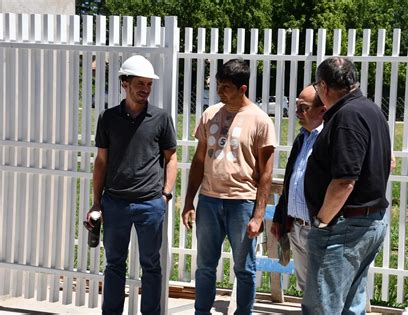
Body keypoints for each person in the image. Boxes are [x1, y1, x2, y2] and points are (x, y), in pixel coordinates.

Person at [181, 58, 276, 315]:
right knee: (204, 266)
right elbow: (199, 160)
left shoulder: (260, 121)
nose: (220, 92)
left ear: (242, 88)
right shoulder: (210, 114)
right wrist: (189, 201)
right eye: (218, 86)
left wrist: (258, 215)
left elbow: (266, 173)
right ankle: (202, 311)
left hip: (242, 202)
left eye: (226, 87)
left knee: (244, 268)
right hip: (209, 200)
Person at [86, 55, 177, 315]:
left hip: (150, 203)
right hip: (114, 203)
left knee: (151, 265)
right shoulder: (108, 118)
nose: (145, 89)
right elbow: (101, 161)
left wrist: (165, 195)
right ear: (125, 83)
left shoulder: (160, 118)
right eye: (140, 83)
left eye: (149, 84)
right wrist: (96, 203)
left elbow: (171, 158)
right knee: (114, 264)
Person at [302, 57, 391, 314]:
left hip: (344, 226)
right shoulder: (370, 110)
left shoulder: (347, 116)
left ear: (324, 87)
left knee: (323, 306)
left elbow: (344, 182)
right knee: (351, 305)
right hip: (366, 221)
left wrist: (322, 221)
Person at [270, 84, 326, 291]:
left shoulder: (329, 140)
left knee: (322, 289)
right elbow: (290, 182)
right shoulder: (302, 138)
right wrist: (279, 217)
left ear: (323, 110)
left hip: (318, 230)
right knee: (306, 289)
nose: (297, 113)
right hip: (296, 227)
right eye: (296, 107)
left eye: (304, 108)